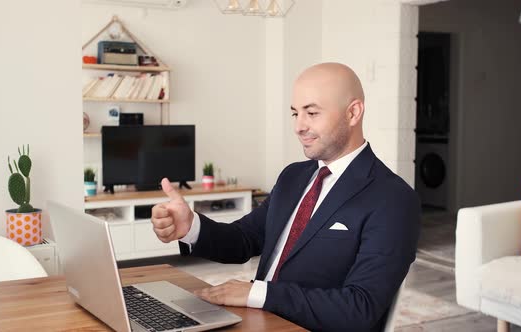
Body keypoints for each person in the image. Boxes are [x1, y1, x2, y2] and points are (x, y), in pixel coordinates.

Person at [151, 62, 420, 331]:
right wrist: (190, 227)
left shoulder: (393, 199)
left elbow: (359, 308)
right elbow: (244, 239)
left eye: (312, 113)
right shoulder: (293, 177)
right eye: (295, 113)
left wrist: (256, 293)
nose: (299, 126)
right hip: (258, 321)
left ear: (353, 113)